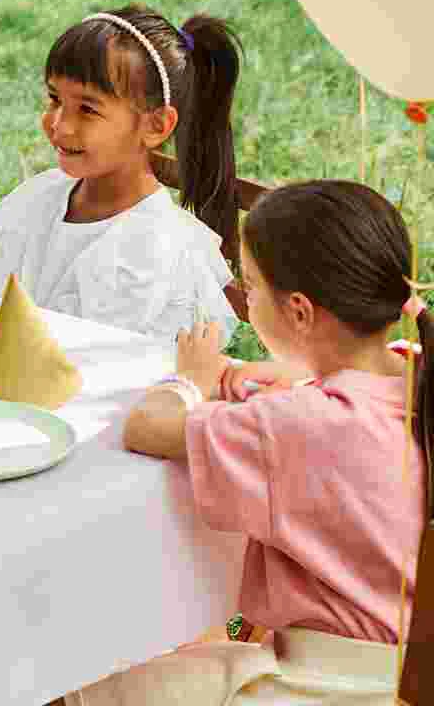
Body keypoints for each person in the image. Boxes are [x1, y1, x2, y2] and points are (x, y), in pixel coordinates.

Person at [64, 180, 427, 704]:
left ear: (300, 312)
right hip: (401, 673)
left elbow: (146, 428)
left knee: (81, 685)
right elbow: (318, 408)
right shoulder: (413, 373)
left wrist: (189, 379)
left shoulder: (298, 425)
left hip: (320, 686)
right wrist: (277, 378)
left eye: (251, 287)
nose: (244, 298)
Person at [0, 6, 243, 342]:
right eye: (54, 98)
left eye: (87, 109)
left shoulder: (159, 252)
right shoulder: (35, 202)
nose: (59, 124)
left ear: (155, 125)